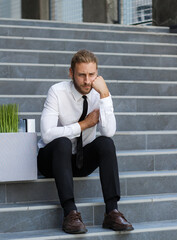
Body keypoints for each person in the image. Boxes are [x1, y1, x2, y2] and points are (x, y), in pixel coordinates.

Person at [37, 49, 134, 234]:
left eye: (92, 75)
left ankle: (112, 211)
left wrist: (105, 94)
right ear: (71, 73)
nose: (87, 81)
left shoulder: (98, 93)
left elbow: (108, 132)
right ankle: (70, 213)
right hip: (51, 160)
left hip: (80, 162)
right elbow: (48, 134)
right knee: (63, 142)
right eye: (82, 75)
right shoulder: (57, 91)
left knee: (106, 143)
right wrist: (83, 125)